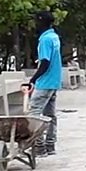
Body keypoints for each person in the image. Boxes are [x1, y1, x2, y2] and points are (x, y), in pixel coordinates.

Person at [25, 10, 61, 156]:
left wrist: (32, 80)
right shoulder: (54, 37)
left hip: (45, 82)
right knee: (50, 115)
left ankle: (39, 147)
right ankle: (50, 145)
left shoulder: (45, 40)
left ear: (41, 22)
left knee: (34, 114)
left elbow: (45, 63)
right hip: (54, 81)